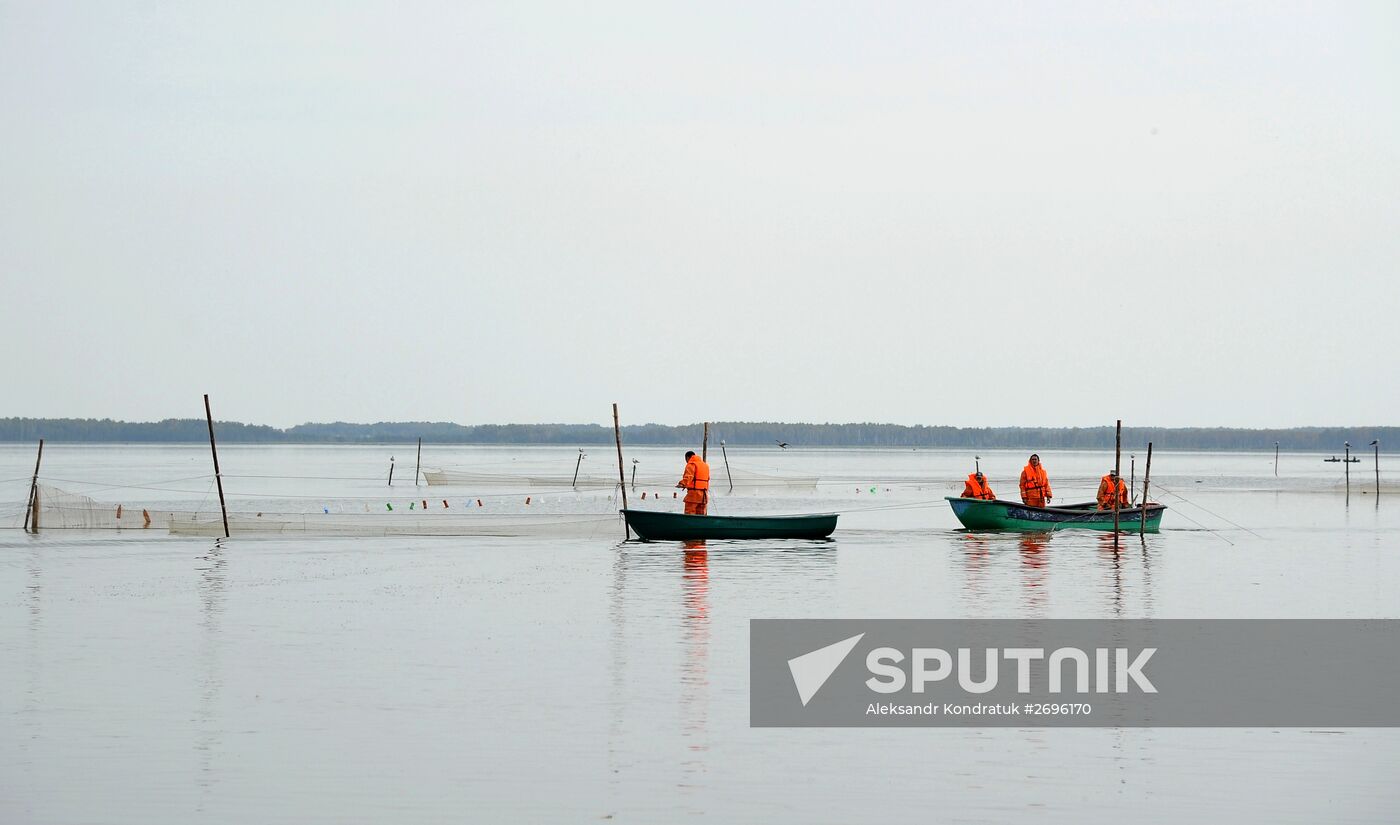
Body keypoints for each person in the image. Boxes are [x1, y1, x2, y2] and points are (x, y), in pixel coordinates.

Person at [677, 450, 711, 515]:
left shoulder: (691, 464)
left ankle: (689, 524)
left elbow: (689, 476)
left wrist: (682, 484)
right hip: (704, 495)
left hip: (693, 495)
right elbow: (708, 478)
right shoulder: (705, 465)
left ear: (687, 457)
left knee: (689, 512)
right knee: (701, 514)